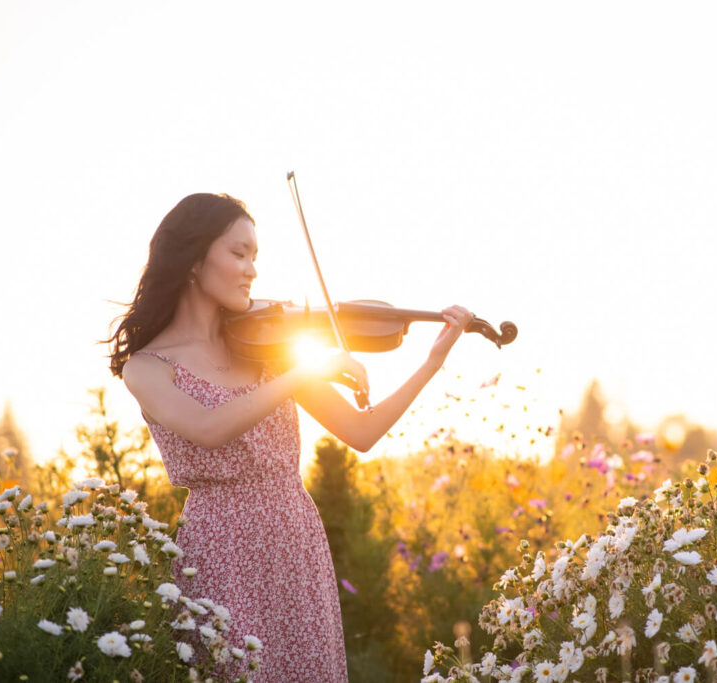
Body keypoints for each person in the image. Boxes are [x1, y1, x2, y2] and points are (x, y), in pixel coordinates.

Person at [107, 192, 472, 682]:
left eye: (255, 256)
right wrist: (303, 371)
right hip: (220, 550)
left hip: (293, 539)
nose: (252, 270)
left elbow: (361, 432)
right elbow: (209, 429)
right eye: (238, 253)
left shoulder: (267, 348)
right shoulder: (147, 367)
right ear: (194, 260)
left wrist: (430, 365)